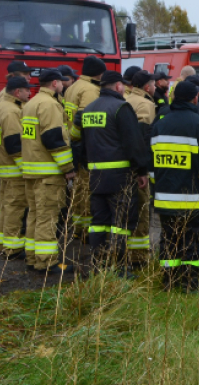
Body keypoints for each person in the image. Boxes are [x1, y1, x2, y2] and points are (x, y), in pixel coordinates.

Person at [151, 81, 199, 292]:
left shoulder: (159, 125)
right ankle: (190, 283)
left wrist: (157, 189)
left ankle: (169, 281)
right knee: (194, 241)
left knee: (169, 240)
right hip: (195, 200)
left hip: (165, 199)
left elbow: (152, 166)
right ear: (195, 98)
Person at [78, 71, 150, 273]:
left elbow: (82, 144)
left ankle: (98, 265)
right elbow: (133, 142)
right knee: (121, 223)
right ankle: (119, 268)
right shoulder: (121, 108)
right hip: (120, 177)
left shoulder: (89, 109)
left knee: (98, 223)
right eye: (123, 85)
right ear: (118, 86)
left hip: (95, 176)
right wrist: (141, 170)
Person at [21, 69, 76, 274]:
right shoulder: (50, 104)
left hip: (32, 171)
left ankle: (32, 257)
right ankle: (46, 262)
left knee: (35, 215)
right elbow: (53, 139)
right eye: (61, 82)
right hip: (48, 174)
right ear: (55, 83)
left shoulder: (31, 103)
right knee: (47, 217)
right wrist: (68, 168)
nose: (63, 85)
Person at [64, 55, 105, 234]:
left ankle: (79, 226)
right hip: (84, 144)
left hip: (73, 142)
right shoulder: (90, 90)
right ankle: (87, 230)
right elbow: (86, 120)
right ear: (98, 73)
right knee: (88, 188)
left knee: (79, 187)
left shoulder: (73, 87)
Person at [0, 77, 30, 257]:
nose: (29, 93)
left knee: (6, 206)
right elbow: (14, 145)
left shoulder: (2, 105)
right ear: (17, 92)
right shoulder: (11, 111)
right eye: (27, 90)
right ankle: (13, 248)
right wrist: (26, 168)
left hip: (5, 167)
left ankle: (2, 243)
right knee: (15, 207)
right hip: (14, 170)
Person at [125, 71, 158, 265]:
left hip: (123, 165)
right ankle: (139, 257)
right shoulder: (146, 105)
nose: (155, 88)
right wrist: (143, 170)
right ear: (147, 87)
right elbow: (143, 139)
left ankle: (125, 252)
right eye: (153, 84)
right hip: (138, 167)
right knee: (141, 209)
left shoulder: (125, 100)